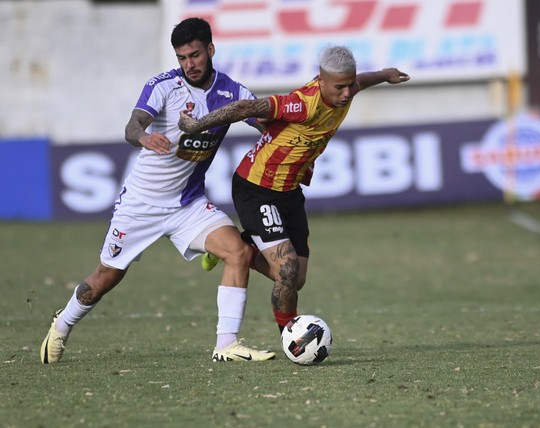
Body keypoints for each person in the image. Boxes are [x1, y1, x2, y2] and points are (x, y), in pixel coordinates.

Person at [40, 17, 275, 364]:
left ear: (210, 50)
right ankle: (61, 325)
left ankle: (226, 344)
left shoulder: (233, 92)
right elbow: (132, 125)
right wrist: (144, 137)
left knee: (238, 253)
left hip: (188, 204)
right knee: (104, 279)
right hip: (141, 205)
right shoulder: (163, 86)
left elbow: (266, 124)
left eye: (194, 55)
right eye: (182, 58)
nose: (189, 64)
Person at [179, 45, 410, 333]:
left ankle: (242, 248)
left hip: (289, 192)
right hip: (256, 187)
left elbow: (362, 80)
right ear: (321, 81)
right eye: (340, 87)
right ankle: (292, 337)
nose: (347, 93)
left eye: (350, 85)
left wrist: (386, 74)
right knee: (286, 271)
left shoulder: (345, 90)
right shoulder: (302, 103)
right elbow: (244, 108)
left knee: (296, 279)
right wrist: (197, 124)